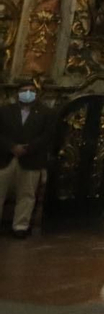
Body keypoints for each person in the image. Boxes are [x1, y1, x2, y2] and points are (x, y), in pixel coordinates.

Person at [0, 80, 54, 237]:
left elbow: (47, 135)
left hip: (32, 158)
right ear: (17, 93)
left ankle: (20, 226)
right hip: (5, 157)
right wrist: (11, 146)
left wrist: (28, 148)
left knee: (27, 194)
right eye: (24, 90)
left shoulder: (46, 113)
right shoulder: (5, 111)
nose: (28, 93)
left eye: (31, 90)